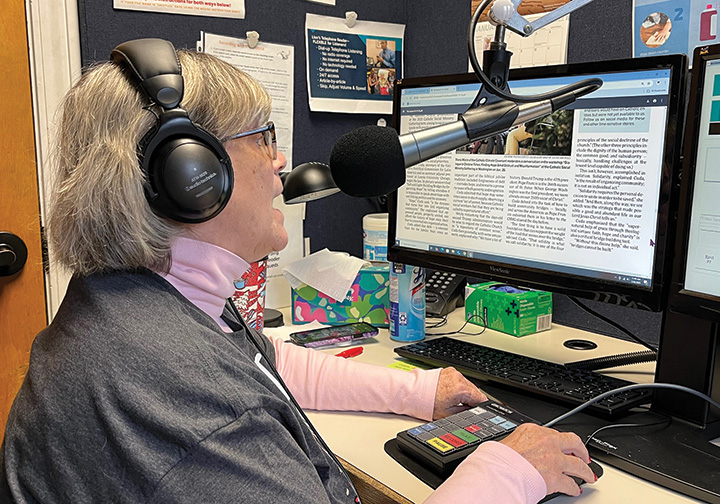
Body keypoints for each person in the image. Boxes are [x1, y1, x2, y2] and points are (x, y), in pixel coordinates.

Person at [0, 39, 595, 503]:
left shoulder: (133, 299)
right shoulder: (188, 402)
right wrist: (512, 468)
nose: (281, 159)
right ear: (189, 174)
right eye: (263, 137)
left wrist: (417, 389)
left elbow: (264, 361)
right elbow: (235, 396)